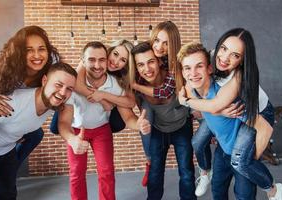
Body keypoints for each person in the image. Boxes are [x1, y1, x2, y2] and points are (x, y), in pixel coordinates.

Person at [178, 42, 282, 200]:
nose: (193, 73)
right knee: (217, 191)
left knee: (244, 196)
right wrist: (217, 111)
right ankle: (205, 172)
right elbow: (189, 95)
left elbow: (264, 127)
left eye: (199, 66)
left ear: (209, 68)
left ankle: (274, 190)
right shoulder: (191, 90)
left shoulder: (229, 96)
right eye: (187, 68)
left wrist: (251, 158)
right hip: (223, 151)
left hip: (241, 151)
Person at [58, 41, 150, 200]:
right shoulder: (73, 84)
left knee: (107, 172)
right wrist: (72, 139)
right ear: (83, 60)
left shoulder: (115, 85)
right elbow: (64, 122)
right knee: (76, 173)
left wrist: (139, 125)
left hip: (102, 131)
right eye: (91, 60)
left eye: (101, 60)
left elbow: (128, 117)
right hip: (77, 131)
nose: (97, 65)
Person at [0, 62, 77, 200]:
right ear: (44, 81)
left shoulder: (57, 99)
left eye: (69, 89)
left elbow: (64, 122)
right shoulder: (12, 103)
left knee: (8, 195)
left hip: (7, 151)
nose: (63, 93)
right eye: (58, 84)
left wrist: (73, 139)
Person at [130, 41, 196, 200]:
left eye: (151, 62)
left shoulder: (172, 75)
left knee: (186, 170)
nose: (147, 69)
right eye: (141, 65)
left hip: (181, 126)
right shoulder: (136, 84)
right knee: (155, 172)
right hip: (157, 130)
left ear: (159, 60)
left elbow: (165, 93)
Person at [0, 25, 60, 166]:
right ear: (19, 52)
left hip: (11, 126)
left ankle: (11, 167)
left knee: (35, 134)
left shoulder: (48, 76)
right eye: (29, 50)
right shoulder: (0, 68)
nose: (37, 56)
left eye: (41, 49)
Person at [131, 21, 181, 186]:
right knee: (145, 125)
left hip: (169, 103)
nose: (159, 47)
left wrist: (137, 86)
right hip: (146, 101)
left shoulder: (174, 61)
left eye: (166, 43)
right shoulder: (144, 51)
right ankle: (149, 162)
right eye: (157, 40)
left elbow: (166, 91)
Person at [50, 39, 135, 134]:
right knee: (55, 128)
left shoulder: (123, 75)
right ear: (109, 51)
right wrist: (103, 101)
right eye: (115, 54)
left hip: (106, 101)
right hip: (84, 94)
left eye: (123, 60)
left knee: (118, 125)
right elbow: (76, 84)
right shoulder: (93, 57)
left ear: (126, 64)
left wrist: (104, 95)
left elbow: (131, 102)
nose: (116, 61)